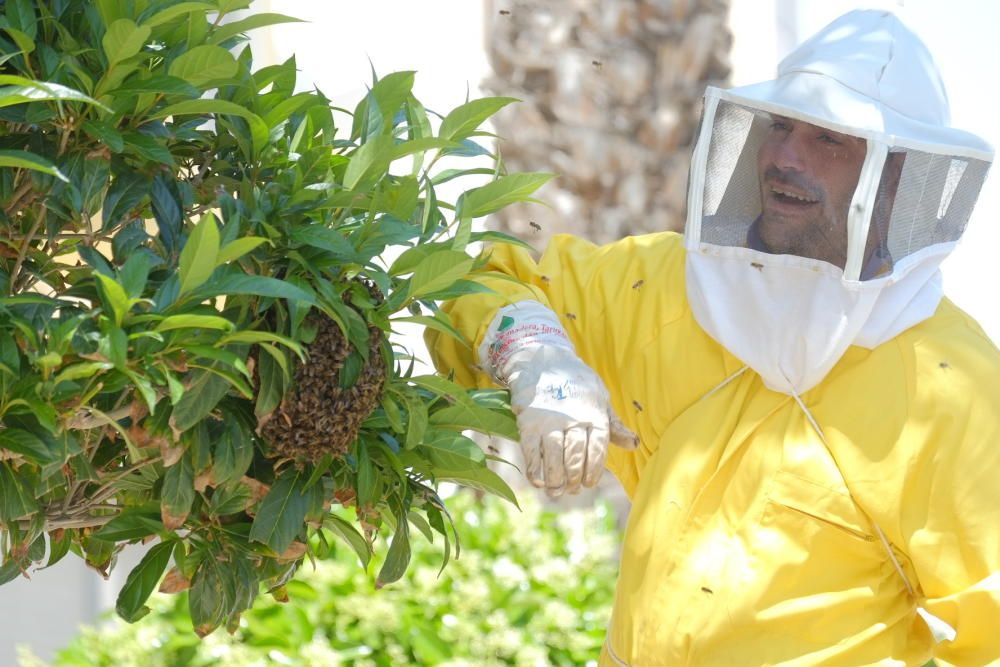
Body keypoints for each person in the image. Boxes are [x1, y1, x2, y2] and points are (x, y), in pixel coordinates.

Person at [426, 10, 999, 667]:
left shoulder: (955, 387)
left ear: (897, 175)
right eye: (780, 126)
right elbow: (481, 282)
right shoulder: (662, 287)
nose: (785, 156)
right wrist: (539, 356)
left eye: (827, 138)